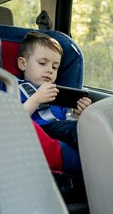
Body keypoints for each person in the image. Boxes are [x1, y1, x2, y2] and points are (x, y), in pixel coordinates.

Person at [17, 31, 91, 170]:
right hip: (37, 129)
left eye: (54, 67)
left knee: (89, 125)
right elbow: (13, 119)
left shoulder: (57, 92)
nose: (50, 70)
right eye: (43, 63)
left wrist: (77, 115)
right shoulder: (14, 86)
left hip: (59, 128)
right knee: (82, 130)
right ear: (23, 63)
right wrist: (36, 99)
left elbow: (64, 119)